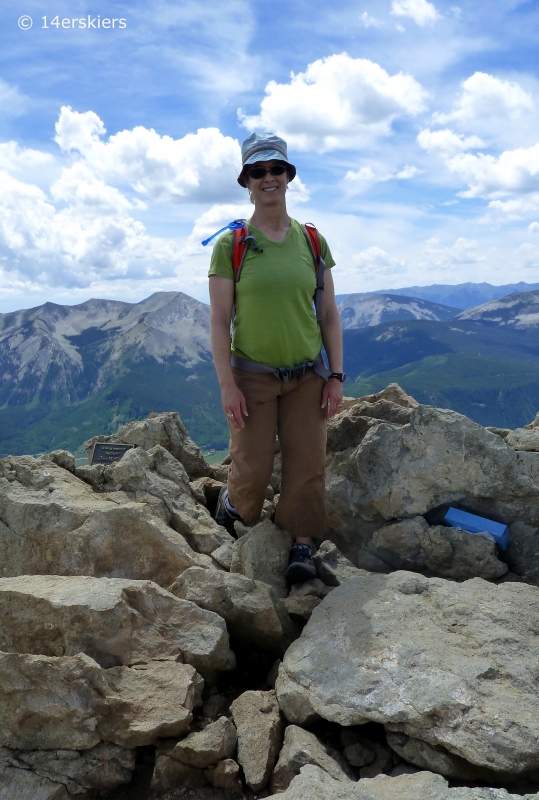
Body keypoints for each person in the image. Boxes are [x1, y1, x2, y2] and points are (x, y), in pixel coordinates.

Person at [208, 131, 345, 583]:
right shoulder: (232, 245)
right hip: (254, 377)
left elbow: (327, 314)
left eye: (276, 169)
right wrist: (228, 385)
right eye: (258, 171)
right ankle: (231, 504)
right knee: (252, 477)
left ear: (289, 176)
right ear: (246, 180)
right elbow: (218, 321)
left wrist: (336, 375)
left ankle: (301, 545)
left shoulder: (311, 240)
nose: (269, 178)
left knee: (308, 463)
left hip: (308, 374)